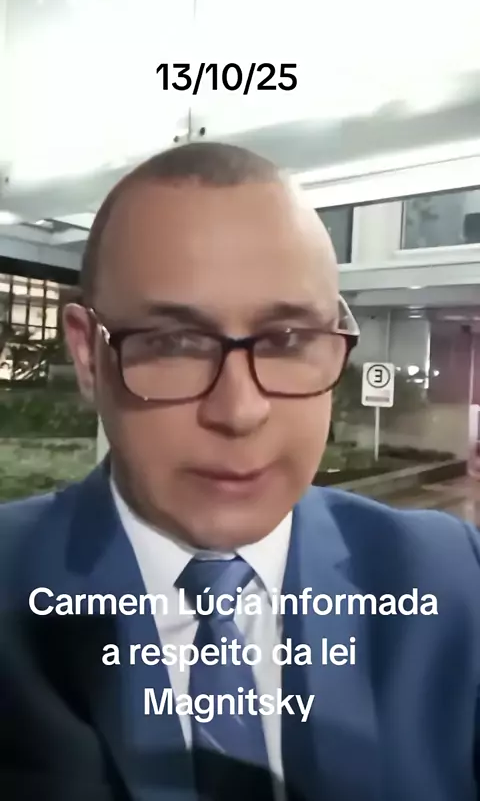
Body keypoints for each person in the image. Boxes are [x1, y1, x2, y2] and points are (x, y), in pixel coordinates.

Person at [1, 141, 479, 801]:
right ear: (88, 357)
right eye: (174, 343)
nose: (239, 411)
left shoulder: (454, 578)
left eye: (286, 340)